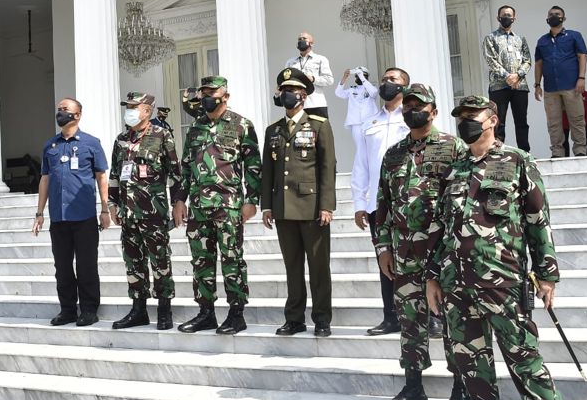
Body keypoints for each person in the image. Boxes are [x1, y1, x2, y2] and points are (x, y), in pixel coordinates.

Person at [426, 95, 573, 400]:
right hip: (457, 286)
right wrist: (432, 277)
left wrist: (547, 274)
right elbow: (444, 231)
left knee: (524, 360)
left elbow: (538, 220)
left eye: (471, 117)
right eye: (460, 118)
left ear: (491, 119)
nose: (465, 123)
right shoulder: (456, 170)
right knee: (471, 364)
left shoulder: (518, 162)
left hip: (503, 283)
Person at [373, 83, 467, 400]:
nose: (414, 110)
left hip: (442, 253)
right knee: (409, 319)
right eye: (408, 105)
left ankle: (460, 387)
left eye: (420, 105)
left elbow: (462, 202)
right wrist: (382, 247)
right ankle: (414, 385)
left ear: (434, 111)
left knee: (451, 319)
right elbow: (382, 203)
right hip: (403, 253)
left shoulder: (453, 147)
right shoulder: (394, 153)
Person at [173, 76, 262, 335]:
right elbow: (186, 168)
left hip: (229, 204)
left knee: (232, 259)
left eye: (212, 92)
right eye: (204, 93)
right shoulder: (195, 129)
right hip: (199, 207)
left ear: (225, 95)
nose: (207, 96)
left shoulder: (241, 125)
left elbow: (253, 166)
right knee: (201, 261)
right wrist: (179, 199)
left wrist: (252, 200)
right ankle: (206, 312)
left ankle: (236, 313)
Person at [261, 68, 337, 337]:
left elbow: (328, 168)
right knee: (292, 267)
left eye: (291, 91)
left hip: (312, 207)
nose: (285, 95)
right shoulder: (273, 130)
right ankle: (294, 318)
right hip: (283, 208)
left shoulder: (318, 125)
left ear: (303, 96)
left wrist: (327, 205)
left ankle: (322, 318)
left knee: (318, 267)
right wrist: (267, 205)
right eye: (283, 91)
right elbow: (268, 170)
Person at [32, 98, 111, 327]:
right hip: (59, 216)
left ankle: (88, 309)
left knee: (86, 265)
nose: (60, 113)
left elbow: (101, 177)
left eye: (65, 110)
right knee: (62, 267)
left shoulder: (91, 143)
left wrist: (105, 209)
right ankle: (67, 309)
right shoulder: (50, 146)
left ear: (78, 115)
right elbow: (45, 179)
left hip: (84, 215)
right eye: (58, 110)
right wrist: (39, 213)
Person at [108, 92, 182, 330]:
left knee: (160, 260)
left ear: (147, 111)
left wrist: (177, 204)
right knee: (133, 262)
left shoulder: (162, 136)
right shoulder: (121, 140)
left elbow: (176, 174)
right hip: (127, 214)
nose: (129, 111)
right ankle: (138, 309)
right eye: (127, 107)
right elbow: (114, 177)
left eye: (133, 106)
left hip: (153, 212)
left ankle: (164, 309)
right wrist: (112, 205)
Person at [351, 67, 412, 335]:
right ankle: (391, 317)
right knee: (385, 261)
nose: (387, 83)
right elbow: (361, 167)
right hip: (379, 205)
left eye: (393, 80)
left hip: (410, 202)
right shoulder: (369, 124)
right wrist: (359, 204)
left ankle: (431, 316)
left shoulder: (413, 120)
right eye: (385, 79)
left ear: (405, 87)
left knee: (417, 260)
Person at [533, 6, 587, 157]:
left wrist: (581, 78)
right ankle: (557, 152)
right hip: (550, 88)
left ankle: (580, 150)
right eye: (550, 14)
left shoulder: (574, 36)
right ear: (547, 19)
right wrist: (537, 84)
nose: (553, 16)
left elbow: (582, 56)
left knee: (576, 119)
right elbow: (538, 64)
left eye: (557, 14)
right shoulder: (542, 41)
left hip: (572, 85)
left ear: (564, 18)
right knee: (553, 123)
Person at [483, 5, 532, 151]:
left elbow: (527, 60)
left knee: (521, 122)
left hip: (520, 86)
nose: (507, 17)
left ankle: (524, 153)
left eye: (509, 15)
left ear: (514, 18)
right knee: (498, 121)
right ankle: (497, 152)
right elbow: (490, 60)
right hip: (499, 86)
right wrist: (507, 77)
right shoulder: (491, 38)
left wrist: (518, 75)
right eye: (504, 15)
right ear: (498, 18)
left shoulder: (520, 39)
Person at [285, 32, 334, 117]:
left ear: (312, 43)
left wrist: (313, 79)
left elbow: (329, 80)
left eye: (304, 38)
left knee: (320, 130)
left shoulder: (320, 59)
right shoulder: (290, 62)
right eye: (299, 39)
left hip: (316, 104)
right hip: (296, 105)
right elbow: (285, 81)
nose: (301, 41)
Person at [334, 66, 379, 156]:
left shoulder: (371, 88)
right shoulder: (352, 89)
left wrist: (362, 77)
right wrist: (344, 78)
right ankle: (362, 169)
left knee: (372, 146)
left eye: (360, 76)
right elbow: (338, 93)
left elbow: (373, 93)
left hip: (370, 122)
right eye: (357, 76)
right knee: (360, 149)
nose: (358, 78)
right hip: (356, 123)